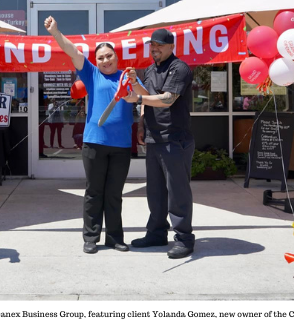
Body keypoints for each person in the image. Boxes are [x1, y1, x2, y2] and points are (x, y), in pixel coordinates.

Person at [45, 16, 138, 254]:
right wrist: (56, 32)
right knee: (94, 191)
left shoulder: (128, 77)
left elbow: (143, 97)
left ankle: (115, 238)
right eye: (101, 57)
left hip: (121, 145)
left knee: (115, 194)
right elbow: (72, 51)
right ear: (96, 61)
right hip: (95, 143)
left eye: (109, 56)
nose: (106, 60)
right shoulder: (91, 74)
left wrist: (138, 91)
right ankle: (91, 237)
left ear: (116, 57)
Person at [124, 28, 196, 259]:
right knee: (155, 193)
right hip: (155, 138)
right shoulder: (151, 69)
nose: (154, 49)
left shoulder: (179, 68)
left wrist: (139, 97)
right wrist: (142, 123)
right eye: (152, 45)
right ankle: (156, 233)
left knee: (178, 193)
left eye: (159, 45)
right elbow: (146, 96)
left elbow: (167, 99)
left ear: (171, 46)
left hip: (175, 139)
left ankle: (184, 238)